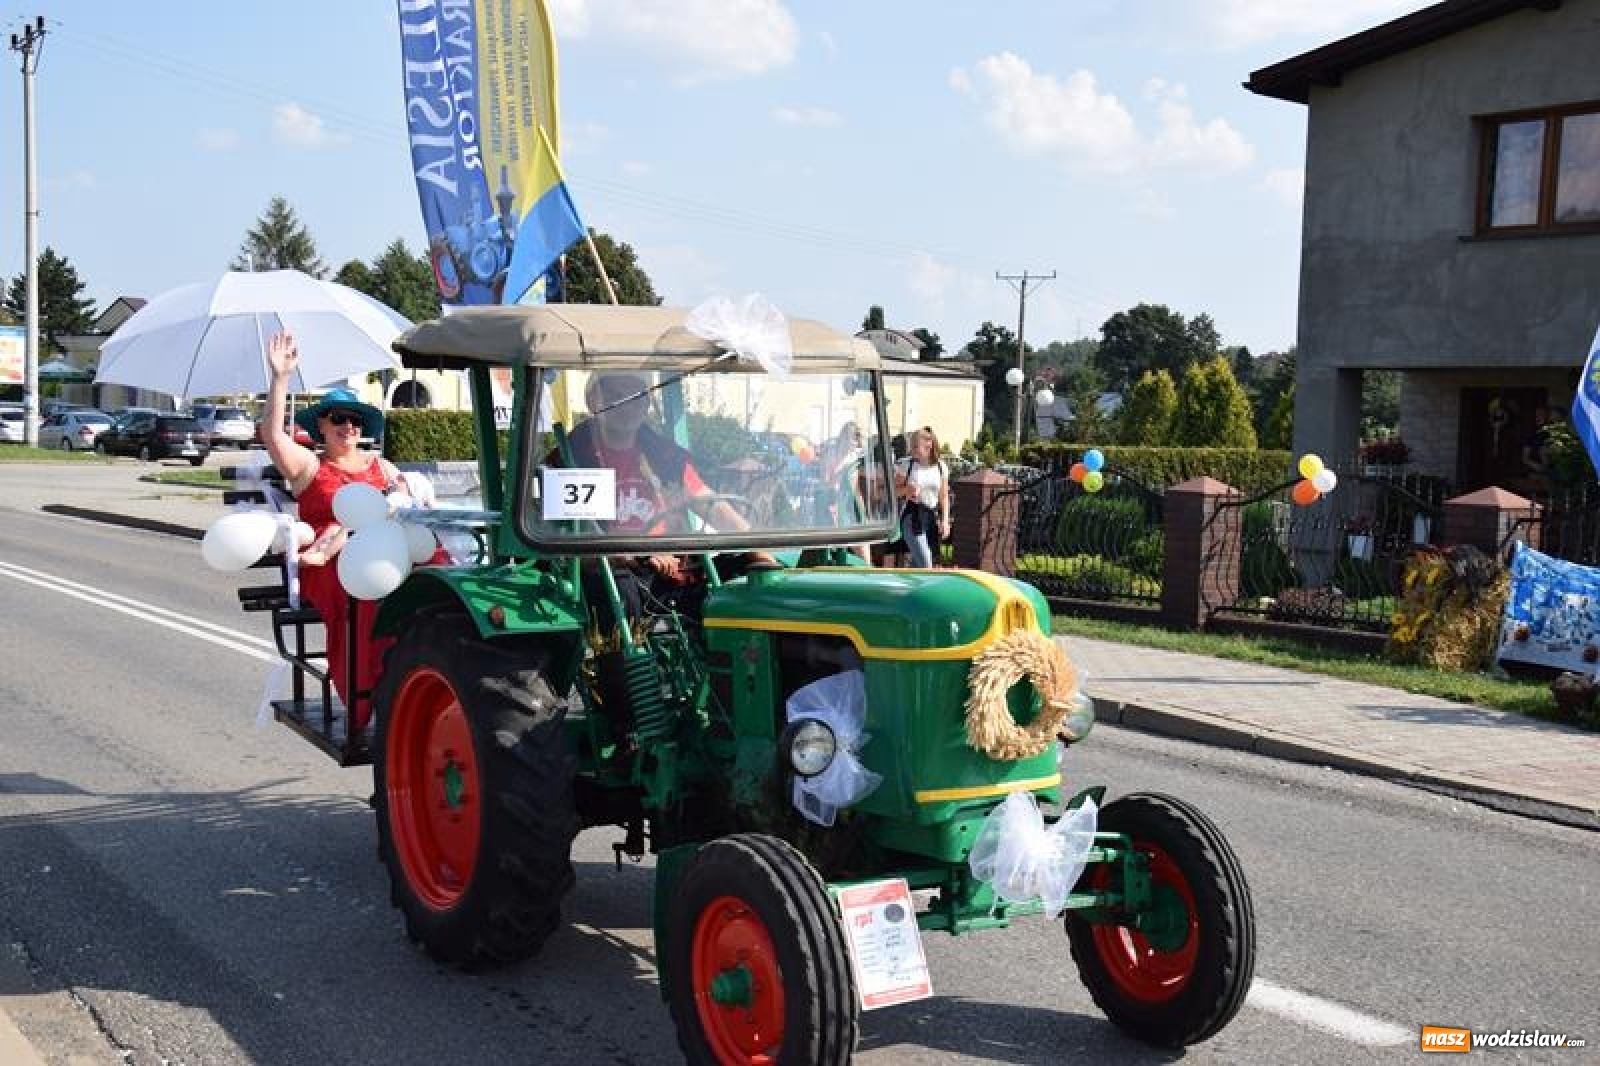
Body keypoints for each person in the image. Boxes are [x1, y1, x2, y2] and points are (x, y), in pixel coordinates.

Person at [261, 330, 405, 733]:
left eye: (355, 420)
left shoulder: (383, 467)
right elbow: (273, 437)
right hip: (333, 564)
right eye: (339, 419)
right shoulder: (310, 467)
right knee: (364, 597)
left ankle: (416, 687)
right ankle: (366, 697)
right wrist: (280, 379)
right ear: (321, 426)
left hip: (382, 552)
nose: (348, 427)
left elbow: (408, 505)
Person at [557, 371, 766, 625]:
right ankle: (624, 662)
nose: (627, 405)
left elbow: (708, 501)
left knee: (748, 574)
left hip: (671, 571)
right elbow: (566, 543)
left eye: (636, 397)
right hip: (613, 575)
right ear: (593, 401)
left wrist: (758, 547)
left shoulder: (664, 456)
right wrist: (639, 554)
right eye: (615, 396)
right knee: (619, 592)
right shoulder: (573, 460)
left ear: (647, 404)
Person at [895, 426, 950, 568]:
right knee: (926, 562)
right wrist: (907, 489)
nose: (911, 450)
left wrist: (945, 521)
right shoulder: (907, 465)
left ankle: (906, 589)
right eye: (911, 446)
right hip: (912, 517)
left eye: (915, 446)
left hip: (931, 517)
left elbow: (943, 496)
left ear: (929, 445)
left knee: (918, 563)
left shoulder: (940, 467)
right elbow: (894, 492)